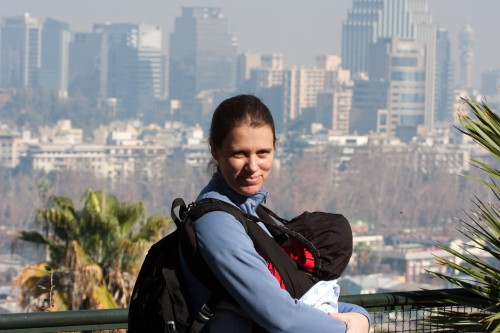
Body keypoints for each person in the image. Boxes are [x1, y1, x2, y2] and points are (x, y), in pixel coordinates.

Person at [180, 94, 371, 333]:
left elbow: (296, 300)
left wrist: (360, 317)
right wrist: (345, 329)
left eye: (262, 153)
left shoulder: (250, 211)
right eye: (239, 154)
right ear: (215, 150)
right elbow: (280, 315)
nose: (253, 166)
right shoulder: (217, 223)